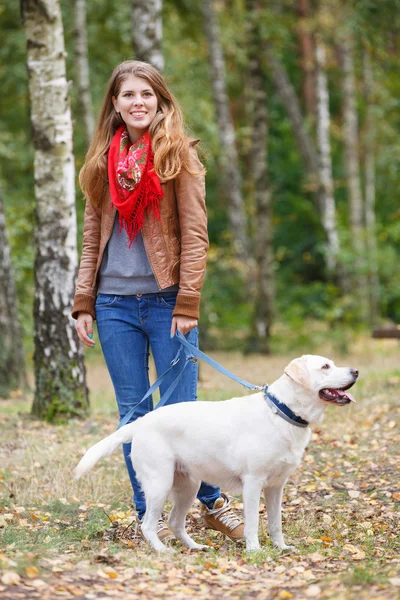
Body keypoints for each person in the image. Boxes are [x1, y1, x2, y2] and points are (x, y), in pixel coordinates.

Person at [72, 60, 244, 543]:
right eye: (128, 95)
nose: (138, 103)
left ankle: (211, 504)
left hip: (169, 304)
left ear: (161, 100)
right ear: (115, 104)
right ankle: (147, 515)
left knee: (182, 414)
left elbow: (194, 235)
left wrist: (188, 302)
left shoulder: (179, 157)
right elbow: (91, 239)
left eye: (147, 94)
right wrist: (84, 299)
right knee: (132, 416)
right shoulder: (101, 163)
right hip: (113, 306)